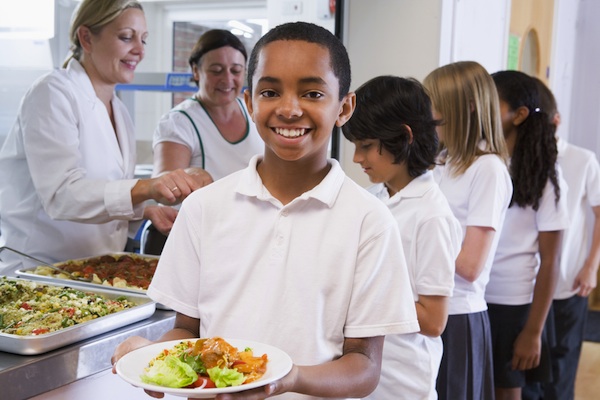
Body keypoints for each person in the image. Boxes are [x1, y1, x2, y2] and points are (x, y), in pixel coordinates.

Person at [111, 21, 420, 400]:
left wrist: (289, 379)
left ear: (345, 107)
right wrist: (154, 357)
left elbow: (365, 368)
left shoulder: (369, 222)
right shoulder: (204, 208)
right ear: (250, 101)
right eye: (271, 91)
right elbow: (186, 332)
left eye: (312, 93)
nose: (289, 109)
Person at [0, 0, 204, 268]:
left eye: (143, 39)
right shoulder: (52, 93)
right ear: (86, 38)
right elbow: (62, 195)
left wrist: (143, 211)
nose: (139, 51)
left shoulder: (119, 111)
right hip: (38, 270)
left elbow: (102, 196)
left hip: (96, 271)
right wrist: (146, 187)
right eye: (126, 37)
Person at [341, 75, 462, 399]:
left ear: (404, 137)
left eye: (366, 146)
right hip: (360, 371)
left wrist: (361, 295)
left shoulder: (432, 216)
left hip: (402, 381)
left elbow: (434, 320)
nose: (357, 158)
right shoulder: (372, 197)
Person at [423, 61, 513, 400]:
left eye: (436, 106)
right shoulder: (443, 163)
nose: (430, 115)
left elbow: (471, 267)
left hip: (459, 315)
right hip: (429, 307)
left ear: (466, 108)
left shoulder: (488, 169)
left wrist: (415, 246)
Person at [485, 70, 569, 400]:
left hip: (513, 305)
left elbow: (551, 262)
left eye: (492, 103)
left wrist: (533, 331)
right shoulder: (480, 161)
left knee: (507, 390)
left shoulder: (545, 176)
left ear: (519, 115)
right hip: (471, 297)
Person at [142, 29, 264, 254]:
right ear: (196, 71)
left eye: (236, 70)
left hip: (246, 238)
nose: (227, 79)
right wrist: (189, 176)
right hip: (194, 241)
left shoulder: (254, 113)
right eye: (216, 70)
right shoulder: (179, 122)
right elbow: (163, 185)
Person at [526, 78, 600, 400]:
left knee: (562, 371)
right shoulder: (520, 160)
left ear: (556, 120)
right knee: (530, 376)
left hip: (569, 283)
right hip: (527, 286)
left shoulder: (582, 160)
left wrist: (591, 266)